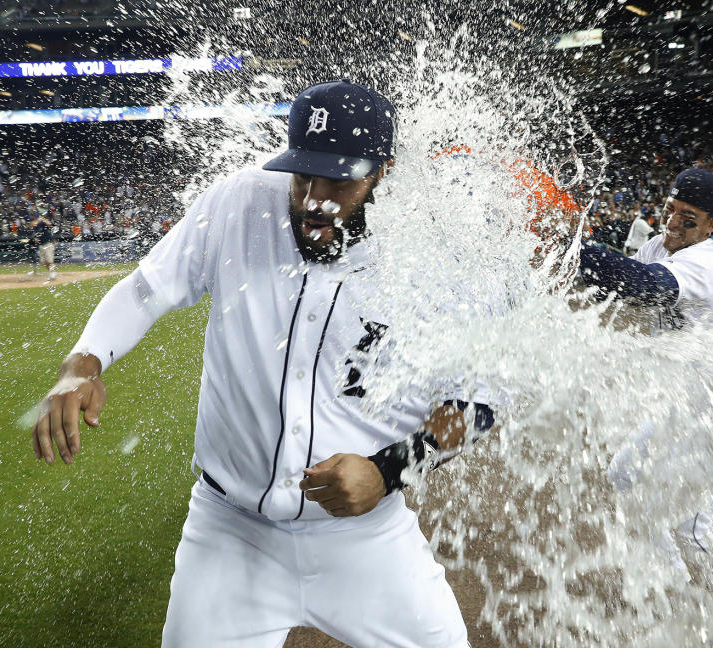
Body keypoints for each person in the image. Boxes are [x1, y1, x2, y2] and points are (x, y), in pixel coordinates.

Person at [30, 80, 494, 648]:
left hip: (366, 539)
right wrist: (84, 364)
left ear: (384, 173)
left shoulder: (437, 254)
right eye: (303, 174)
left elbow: (481, 400)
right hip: (230, 534)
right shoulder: (240, 201)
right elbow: (145, 290)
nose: (313, 197)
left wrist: (389, 469)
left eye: (340, 180)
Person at [576, 168, 713, 630]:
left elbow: (646, 285)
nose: (675, 223)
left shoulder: (707, 260)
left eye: (689, 217)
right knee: (624, 473)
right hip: (688, 407)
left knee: (692, 522)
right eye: (672, 210)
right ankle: (672, 579)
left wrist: (571, 249)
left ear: (710, 225)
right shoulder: (662, 245)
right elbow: (619, 281)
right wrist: (560, 248)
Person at [28, 213, 57, 281]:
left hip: (48, 244)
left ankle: (53, 273)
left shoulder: (41, 224)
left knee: (49, 260)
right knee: (43, 262)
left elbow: (49, 224)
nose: (32, 223)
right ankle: (52, 271)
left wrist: (43, 219)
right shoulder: (35, 228)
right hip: (41, 246)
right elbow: (35, 234)